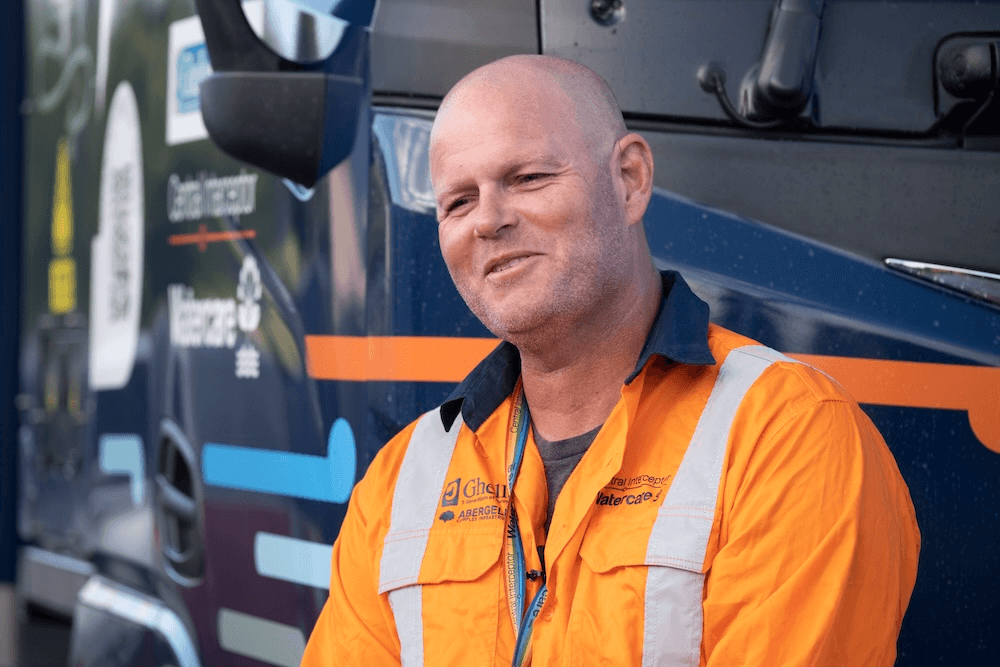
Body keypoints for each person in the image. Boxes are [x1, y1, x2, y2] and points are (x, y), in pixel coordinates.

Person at [301, 54, 920, 666]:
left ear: (629, 178)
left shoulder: (787, 435)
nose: (488, 220)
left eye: (528, 178)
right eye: (459, 202)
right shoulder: (400, 481)